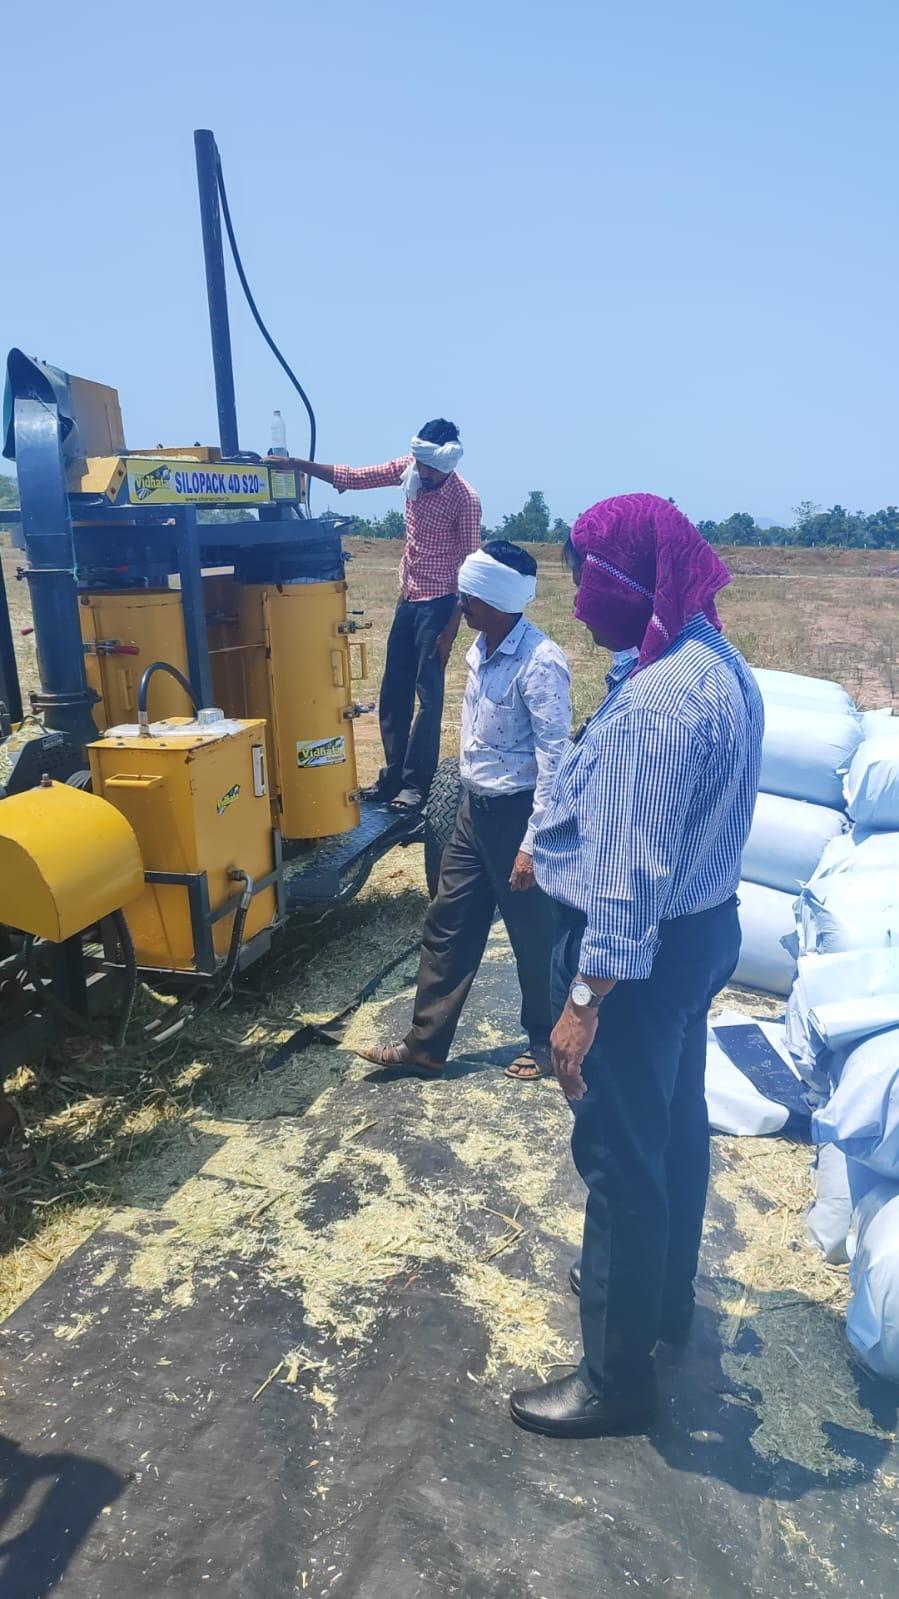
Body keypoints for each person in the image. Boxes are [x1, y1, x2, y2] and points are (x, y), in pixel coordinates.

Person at [509, 493, 764, 1440]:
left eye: (587, 579)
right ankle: (658, 1302)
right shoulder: (713, 663)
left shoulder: (656, 704)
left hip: (640, 955)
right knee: (675, 1123)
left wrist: (581, 1002)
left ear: (633, 579)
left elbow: (626, 882)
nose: (576, 602)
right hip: (704, 931)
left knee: (617, 1152)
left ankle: (614, 1380)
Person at [357, 540, 571, 1083]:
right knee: (448, 923)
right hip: (473, 813)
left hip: (518, 817)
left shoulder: (541, 663)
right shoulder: (478, 648)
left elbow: (555, 760)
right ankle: (425, 1046)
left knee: (533, 936)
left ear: (498, 600)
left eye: (468, 596)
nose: (459, 604)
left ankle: (546, 1043)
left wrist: (532, 844)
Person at [280, 420, 481, 811]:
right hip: (409, 597)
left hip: (439, 604)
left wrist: (450, 629)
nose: (422, 473)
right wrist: (300, 466)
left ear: (449, 462)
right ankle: (391, 779)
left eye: (430, 468)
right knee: (393, 691)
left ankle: (415, 785)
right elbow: (354, 478)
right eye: (420, 465)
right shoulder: (410, 468)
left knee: (428, 695)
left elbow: (470, 568)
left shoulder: (464, 499)